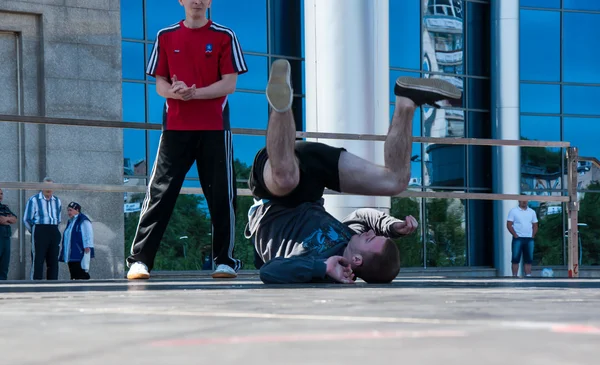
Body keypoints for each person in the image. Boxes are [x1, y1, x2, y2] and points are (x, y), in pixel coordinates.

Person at [245, 60, 461, 284]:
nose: (369, 233)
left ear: (356, 260)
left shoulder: (318, 262)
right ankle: (407, 102)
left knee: (286, 178)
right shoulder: (350, 237)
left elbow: (269, 271)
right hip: (313, 183)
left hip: (275, 193)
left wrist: (321, 267)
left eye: (370, 239)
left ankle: (282, 106)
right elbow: (362, 216)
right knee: (395, 183)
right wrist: (391, 226)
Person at [127, 0, 248, 280]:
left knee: (221, 195)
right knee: (160, 193)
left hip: (215, 128)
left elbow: (229, 83)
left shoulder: (224, 36)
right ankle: (140, 261)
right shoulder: (165, 36)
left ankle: (225, 261)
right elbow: (160, 85)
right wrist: (176, 91)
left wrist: (195, 93)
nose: (197, 0)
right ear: (181, 0)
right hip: (176, 128)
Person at [23, 177, 62, 280]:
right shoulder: (34, 200)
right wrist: (35, 231)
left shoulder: (57, 201)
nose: (48, 189)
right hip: (40, 230)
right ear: (41, 187)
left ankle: (53, 285)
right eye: (46, 186)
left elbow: (58, 218)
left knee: (53, 260)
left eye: (51, 186)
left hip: (53, 230)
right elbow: (27, 219)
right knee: (38, 260)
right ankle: (35, 285)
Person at [59, 202, 94, 280]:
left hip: (79, 251)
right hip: (71, 251)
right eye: (68, 210)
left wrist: (87, 245)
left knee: (80, 271)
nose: (69, 212)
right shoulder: (71, 221)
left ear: (77, 210)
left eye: (70, 210)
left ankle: (83, 285)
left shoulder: (83, 220)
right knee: (73, 271)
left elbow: (88, 233)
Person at [507, 200, 538, 277]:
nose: (524, 202)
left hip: (529, 238)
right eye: (522, 200)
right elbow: (509, 224)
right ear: (519, 201)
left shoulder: (532, 212)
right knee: (515, 258)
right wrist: (515, 234)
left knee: (528, 259)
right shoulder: (513, 211)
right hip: (518, 238)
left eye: (526, 200)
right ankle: (514, 276)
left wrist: (533, 235)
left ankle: (528, 275)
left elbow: (535, 225)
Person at [0, 188, 18, 280]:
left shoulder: (4, 207)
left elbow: (15, 219)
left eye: (2, 194)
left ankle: (2, 287)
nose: (0, 196)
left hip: (6, 239)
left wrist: (6, 219)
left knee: (4, 264)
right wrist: (8, 219)